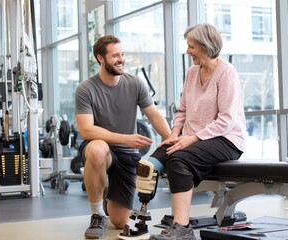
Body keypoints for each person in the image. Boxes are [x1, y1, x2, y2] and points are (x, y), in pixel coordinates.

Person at [138, 23, 246, 240]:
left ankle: (182, 227)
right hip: (191, 137)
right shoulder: (191, 73)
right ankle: (140, 216)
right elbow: (183, 109)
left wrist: (192, 139)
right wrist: (175, 134)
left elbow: (226, 119)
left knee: (178, 161)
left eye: (192, 46)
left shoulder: (226, 73)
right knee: (148, 165)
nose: (188, 51)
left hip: (226, 139)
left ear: (206, 46)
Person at [75, 34, 171, 239]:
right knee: (98, 149)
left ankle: (107, 193)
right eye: (115, 55)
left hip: (127, 155)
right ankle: (97, 215)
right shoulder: (86, 89)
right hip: (100, 149)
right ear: (100, 58)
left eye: (123, 54)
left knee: (119, 222)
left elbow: (154, 115)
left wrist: (172, 141)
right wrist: (126, 138)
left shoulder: (135, 83)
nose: (121, 59)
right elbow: (86, 130)